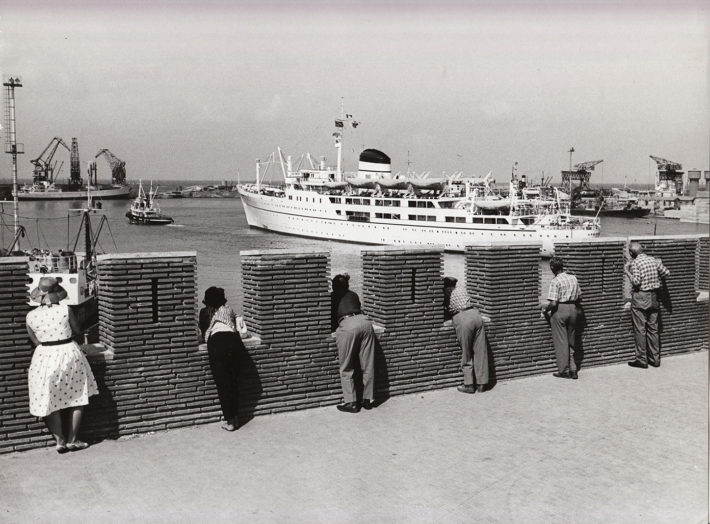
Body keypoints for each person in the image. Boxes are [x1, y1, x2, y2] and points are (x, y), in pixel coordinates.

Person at [25, 277, 99, 453]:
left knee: (50, 400)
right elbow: (77, 331)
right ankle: (73, 440)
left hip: (44, 356)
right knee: (78, 397)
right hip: (68, 353)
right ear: (57, 293)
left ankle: (59, 441)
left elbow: (35, 341)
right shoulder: (65, 309)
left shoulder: (30, 316)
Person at [199, 287, 245, 431]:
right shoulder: (230, 310)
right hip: (234, 342)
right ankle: (236, 418)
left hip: (218, 342)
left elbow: (203, 332)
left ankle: (230, 422)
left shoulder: (205, 312)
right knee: (233, 382)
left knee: (223, 384)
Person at [330, 274, 376, 413]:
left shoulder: (332, 296)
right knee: (368, 364)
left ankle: (351, 402)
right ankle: (368, 400)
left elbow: (332, 318)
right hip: (365, 322)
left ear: (334, 286)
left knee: (346, 367)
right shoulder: (353, 295)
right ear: (347, 285)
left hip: (348, 325)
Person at [624, 242, 670, 369]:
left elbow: (637, 281)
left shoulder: (635, 263)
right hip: (654, 297)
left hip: (641, 297)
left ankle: (641, 360)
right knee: (653, 329)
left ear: (632, 253)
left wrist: (627, 271)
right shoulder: (653, 260)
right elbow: (666, 273)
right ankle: (655, 359)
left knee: (640, 329)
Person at [443, 277, 489, 394]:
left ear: (447, 286)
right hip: (475, 314)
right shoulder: (462, 289)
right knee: (480, 351)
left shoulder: (448, 292)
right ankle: (481, 384)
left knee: (466, 352)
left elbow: (447, 310)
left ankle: (469, 385)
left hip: (463, 317)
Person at [542, 257, 582, 379]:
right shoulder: (573, 277)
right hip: (574, 309)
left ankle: (563, 370)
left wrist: (545, 310)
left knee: (561, 342)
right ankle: (573, 369)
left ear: (553, 268)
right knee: (571, 341)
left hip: (561, 310)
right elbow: (579, 296)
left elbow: (553, 303)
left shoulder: (555, 281)